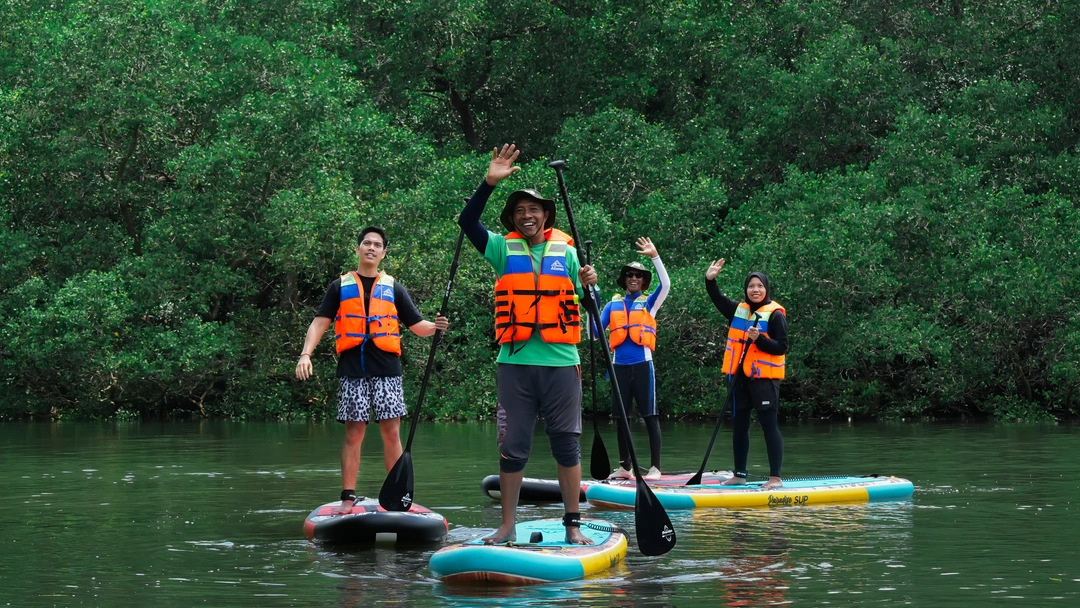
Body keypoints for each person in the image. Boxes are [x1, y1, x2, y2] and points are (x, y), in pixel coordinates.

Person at [458, 143, 597, 545]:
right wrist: (488, 182)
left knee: (566, 446)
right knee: (512, 447)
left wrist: (589, 286)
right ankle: (507, 526)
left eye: (533, 210)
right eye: (519, 211)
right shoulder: (502, 250)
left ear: (546, 216)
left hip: (561, 364)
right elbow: (467, 221)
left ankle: (573, 524)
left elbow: (590, 305)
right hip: (515, 365)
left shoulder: (568, 253)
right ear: (513, 219)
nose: (527, 216)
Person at [295, 226, 449, 514]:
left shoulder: (393, 287)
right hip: (353, 369)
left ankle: (398, 496)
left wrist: (435, 327)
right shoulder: (339, 286)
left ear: (383, 253)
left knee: (392, 433)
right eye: (366, 243)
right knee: (354, 434)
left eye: (377, 245)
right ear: (358, 249)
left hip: (387, 370)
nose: (371, 247)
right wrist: (306, 354)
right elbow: (319, 323)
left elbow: (418, 326)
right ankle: (347, 497)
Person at [704, 259, 788, 489]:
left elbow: (781, 346)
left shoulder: (775, 314)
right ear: (746, 289)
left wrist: (758, 338)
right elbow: (718, 299)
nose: (755, 289)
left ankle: (775, 478)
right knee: (739, 425)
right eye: (751, 286)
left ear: (766, 289)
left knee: (769, 425)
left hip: (764, 380)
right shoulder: (738, 310)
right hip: (739, 379)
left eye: (759, 286)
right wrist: (710, 280)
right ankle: (739, 474)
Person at [597, 237, 670, 481]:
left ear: (643, 281)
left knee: (649, 415)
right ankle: (625, 468)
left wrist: (655, 257)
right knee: (621, 418)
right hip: (619, 367)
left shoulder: (649, 303)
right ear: (625, 279)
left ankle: (655, 468)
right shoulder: (611, 305)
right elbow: (593, 333)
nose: (634, 278)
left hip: (642, 365)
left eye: (638, 276)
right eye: (630, 275)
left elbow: (667, 285)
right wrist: (590, 305)